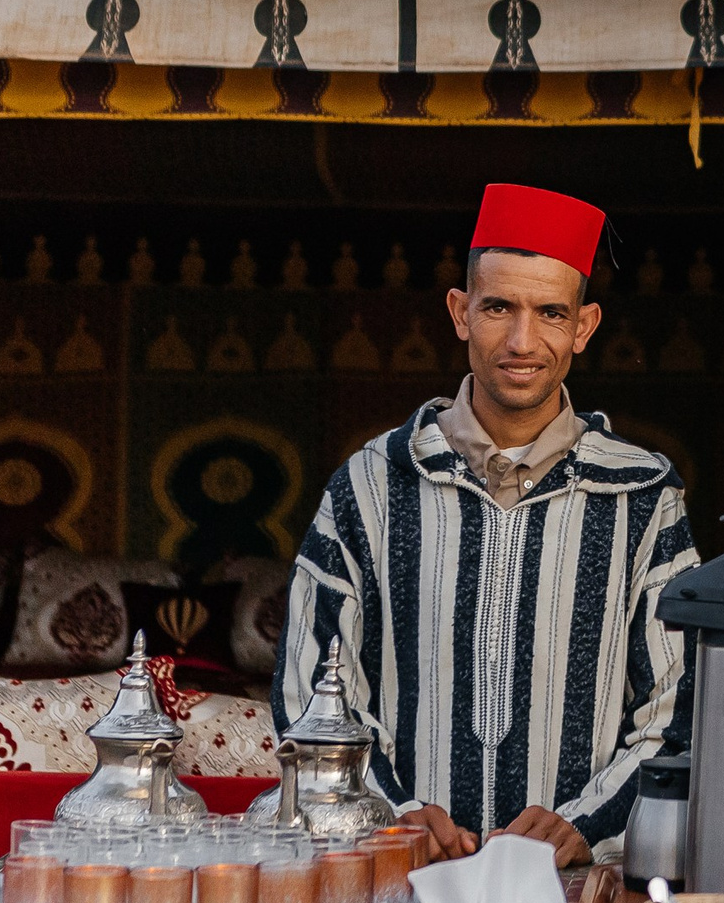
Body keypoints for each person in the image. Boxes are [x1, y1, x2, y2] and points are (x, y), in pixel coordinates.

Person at [276, 184, 697, 867]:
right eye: (499, 306)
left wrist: (584, 824)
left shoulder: (643, 496)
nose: (523, 341)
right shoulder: (371, 485)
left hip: (575, 887)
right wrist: (392, 813)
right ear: (460, 311)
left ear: (585, 325)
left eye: (551, 312)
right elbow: (310, 689)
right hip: (398, 876)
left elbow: (680, 703)